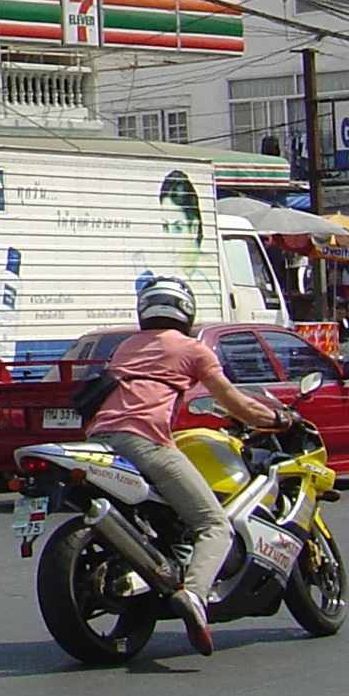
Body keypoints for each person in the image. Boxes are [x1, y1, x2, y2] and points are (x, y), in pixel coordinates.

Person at [91, 275, 286, 656]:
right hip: (145, 441)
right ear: (186, 310)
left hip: (100, 440)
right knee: (214, 525)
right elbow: (235, 403)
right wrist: (277, 419)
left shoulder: (126, 347)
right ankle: (195, 595)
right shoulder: (194, 350)